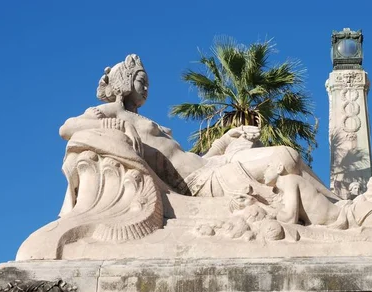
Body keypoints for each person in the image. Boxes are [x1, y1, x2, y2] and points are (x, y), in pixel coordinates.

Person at [58, 54, 337, 204]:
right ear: (125, 83)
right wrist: (112, 124)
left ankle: (338, 204)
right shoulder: (115, 112)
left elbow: (194, 158)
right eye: (141, 81)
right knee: (285, 158)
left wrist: (227, 138)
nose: (146, 89)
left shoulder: (144, 121)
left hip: (211, 165)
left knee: (288, 156)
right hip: (201, 183)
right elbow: (68, 127)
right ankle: (339, 207)